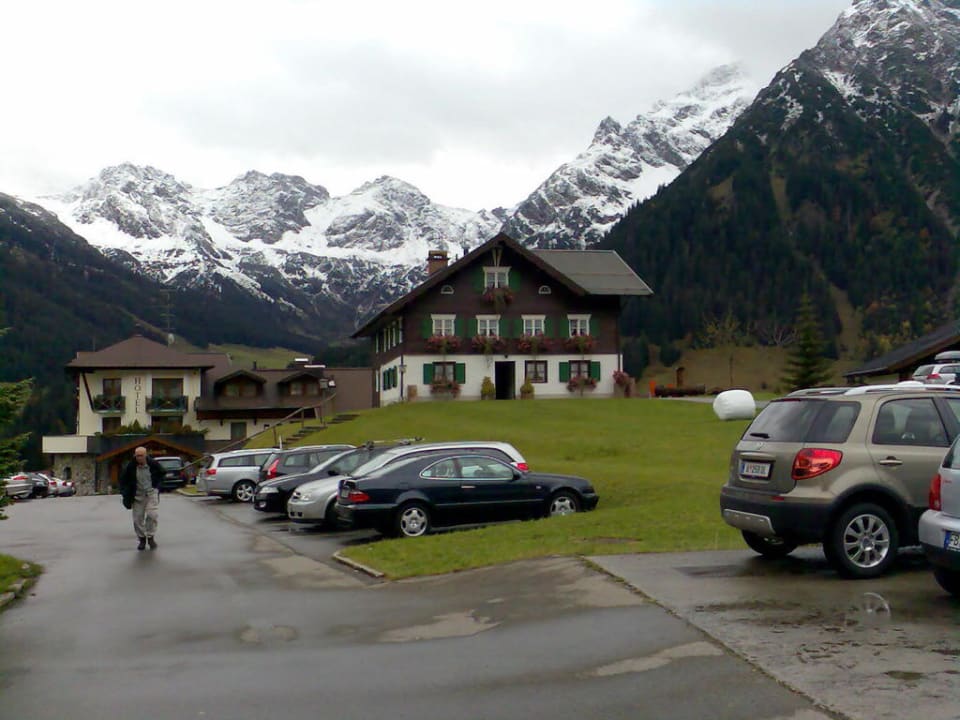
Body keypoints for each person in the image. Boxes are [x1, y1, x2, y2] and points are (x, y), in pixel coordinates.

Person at [119, 446, 164, 550]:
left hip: (151, 494)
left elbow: (162, 474)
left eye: (141, 456)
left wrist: (157, 487)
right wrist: (124, 493)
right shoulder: (130, 467)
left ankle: (151, 536)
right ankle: (142, 539)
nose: (139, 458)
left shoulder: (153, 464)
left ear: (146, 455)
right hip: (137, 496)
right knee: (137, 519)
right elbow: (123, 481)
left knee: (152, 515)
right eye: (137, 456)